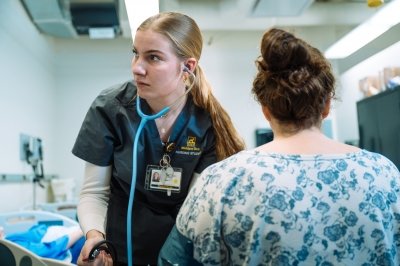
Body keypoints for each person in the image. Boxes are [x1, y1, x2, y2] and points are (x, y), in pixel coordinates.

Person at [158, 28, 400, 265]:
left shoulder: (220, 180)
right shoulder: (383, 173)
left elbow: (172, 260)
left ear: (266, 110)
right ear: (326, 106)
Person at [72, 11, 245, 265]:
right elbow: (94, 192)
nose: (137, 68)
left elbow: (195, 210)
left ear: (188, 67)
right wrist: (96, 238)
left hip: (178, 253)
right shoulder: (111, 108)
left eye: (153, 57)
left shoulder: (206, 123)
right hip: (116, 251)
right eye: (136, 54)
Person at [1, 224, 84, 264]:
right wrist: (80, 232)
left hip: (72, 237)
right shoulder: (8, 246)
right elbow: (48, 250)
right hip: (73, 244)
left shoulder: (8, 240)